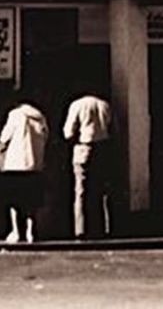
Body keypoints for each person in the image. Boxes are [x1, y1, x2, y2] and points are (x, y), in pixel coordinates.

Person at [0, 99, 49, 243]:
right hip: (35, 163)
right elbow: (46, 136)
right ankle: (31, 231)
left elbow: (5, 137)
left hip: (15, 164)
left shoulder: (15, 115)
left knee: (14, 200)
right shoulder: (40, 117)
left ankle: (16, 231)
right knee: (32, 201)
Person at [62, 90, 113, 240]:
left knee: (81, 191)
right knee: (102, 190)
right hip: (103, 148)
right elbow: (113, 127)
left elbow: (68, 133)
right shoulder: (104, 105)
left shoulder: (77, 105)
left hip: (84, 148)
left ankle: (81, 229)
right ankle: (103, 227)